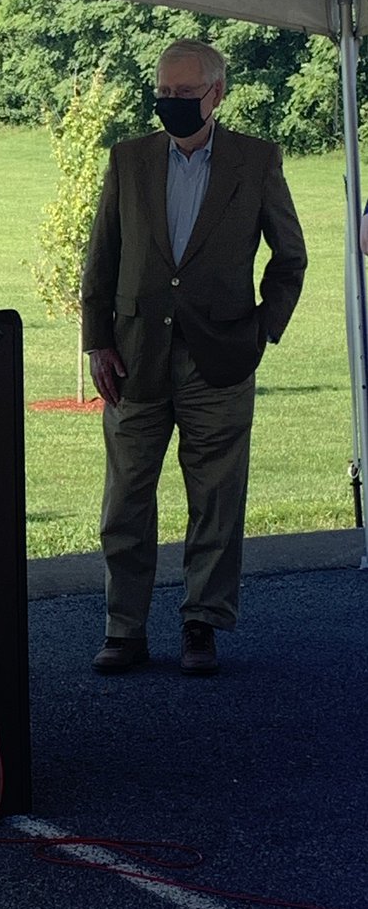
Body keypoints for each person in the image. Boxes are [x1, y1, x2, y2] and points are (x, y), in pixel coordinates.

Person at [81, 39, 307, 675]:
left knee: (216, 499)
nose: (172, 104)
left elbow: (290, 259)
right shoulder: (127, 160)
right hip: (133, 359)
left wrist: (262, 330)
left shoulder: (255, 161)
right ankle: (123, 628)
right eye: (165, 92)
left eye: (186, 94)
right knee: (125, 500)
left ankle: (201, 623)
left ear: (218, 93)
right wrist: (96, 340)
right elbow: (100, 260)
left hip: (222, 359)